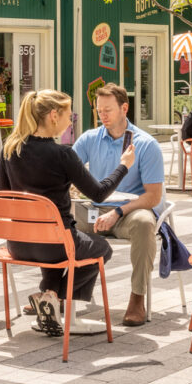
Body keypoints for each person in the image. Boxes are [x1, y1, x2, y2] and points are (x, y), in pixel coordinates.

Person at [0, 90, 131, 337]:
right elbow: (99, 193)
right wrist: (123, 166)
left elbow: (3, 196)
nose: (71, 121)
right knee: (102, 249)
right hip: (56, 243)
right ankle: (54, 297)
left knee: (56, 246)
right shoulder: (63, 154)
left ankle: (48, 297)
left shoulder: (10, 149)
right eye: (68, 115)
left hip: (19, 243)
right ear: (53, 115)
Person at [71, 84, 166, 326]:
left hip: (129, 212)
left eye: (108, 110)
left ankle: (137, 297)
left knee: (145, 223)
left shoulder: (146, 144)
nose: (102, 115)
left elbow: (153, 197)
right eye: (99, 110)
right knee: (57, 215)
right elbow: (66, 171)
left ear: (124, 108)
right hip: (94, 211)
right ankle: (56, 290)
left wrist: (118, 212)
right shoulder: (89, 139)